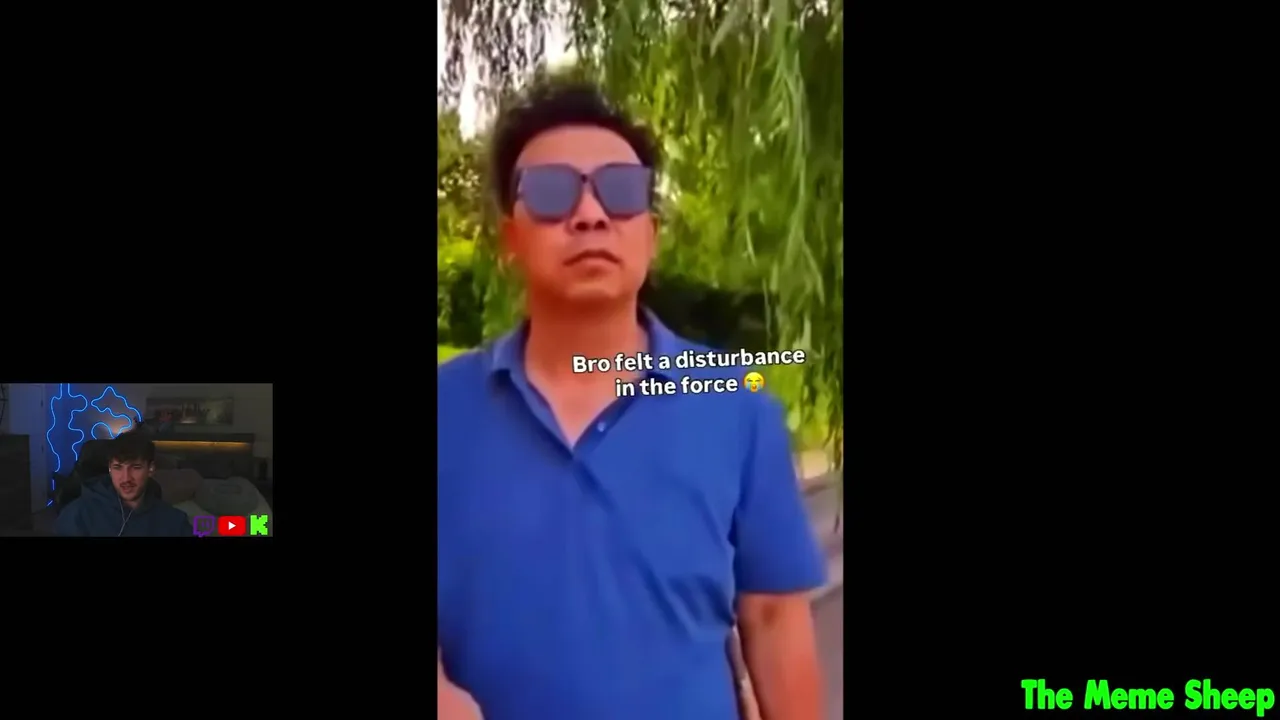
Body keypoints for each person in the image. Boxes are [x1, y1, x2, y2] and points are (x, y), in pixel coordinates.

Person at [437, 80, 827, 720]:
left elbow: (774, 616)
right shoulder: (447, 410)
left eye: (620, 191)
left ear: (652, 233)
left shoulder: (737, 407)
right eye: (552, 193)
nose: (590, 215)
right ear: (509, 240)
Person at [54, 431, 192, 537]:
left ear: (150, 469)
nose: (126, 478)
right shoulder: (77, 515)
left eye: (136, 467)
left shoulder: (175, 521)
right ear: (109, 469)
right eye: (118, 468)